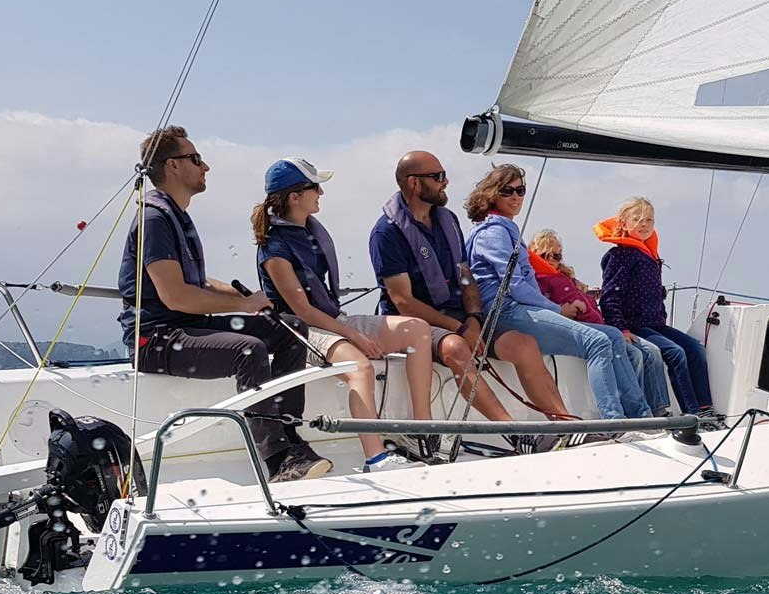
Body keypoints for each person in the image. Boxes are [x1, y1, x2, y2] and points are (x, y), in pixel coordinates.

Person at [115, 126, 331, 482]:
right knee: (248, 351)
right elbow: (175, 296)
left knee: (291, 330)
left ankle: (290, 437)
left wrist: (246, 299)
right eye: (196, 159)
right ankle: (277, 461)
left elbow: (197, 282)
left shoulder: (175, 215)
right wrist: (243, 308)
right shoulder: (154, 218)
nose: (206, 167)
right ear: (172, 166)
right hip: (154, 340)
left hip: (186, 328)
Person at [369, 151, 571, 451]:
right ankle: (517, 434)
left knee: (524, 344)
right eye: (437, 177)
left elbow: (465, 277)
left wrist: (474, 317)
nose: (445, 182)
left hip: (463, 317)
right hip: (417, 323)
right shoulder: (386, 233)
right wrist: (460, 329)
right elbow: (404, 301)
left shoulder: (447, 221)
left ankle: (567, 426)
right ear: (414, 183)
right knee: (456, 347)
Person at [254, 157, 435, 473]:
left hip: (332, 320)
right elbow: (302, 311)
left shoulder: (308, 230)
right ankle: (375, 459)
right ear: (294, 196)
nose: (321, 193)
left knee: (418, 330)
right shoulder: (274, 248)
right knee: (360, 368)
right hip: (300, 330)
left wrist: (347, 329)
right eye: (315, 187)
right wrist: (352, 334)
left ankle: (424, 432)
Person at [463, 164, 651, 423]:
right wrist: (557, 310)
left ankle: (641, 417)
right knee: (597, 342)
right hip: (505, 311)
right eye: (508, 191)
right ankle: (614, 422)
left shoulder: (506, 229)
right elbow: (515, 286)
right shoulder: (493, 232)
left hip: (520, 308)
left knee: (613, 336)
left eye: (521, 190)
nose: (517, 197)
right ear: (493, 194)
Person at [527, 229, 671, 415]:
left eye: (557, 255)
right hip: (577, 328)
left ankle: (649, 410)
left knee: (645, 353)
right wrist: (561, 310)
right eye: (545, 255)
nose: (552, 259)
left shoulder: (566, 279)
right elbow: (539, 304)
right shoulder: (538, 279)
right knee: (630, 352)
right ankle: (633, 414)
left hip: (600, 326)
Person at [596, 198, 716, 418]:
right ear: (623, 223)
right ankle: (692, 413)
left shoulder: (649, 256)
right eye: (637, 219)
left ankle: (706, 408)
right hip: (634, 324)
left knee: (695, 349)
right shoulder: (619, 255)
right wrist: (620, 328)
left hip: (655, 323)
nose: (644, 224)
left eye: (649, 220)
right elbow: (610, 296)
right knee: (675, 352)